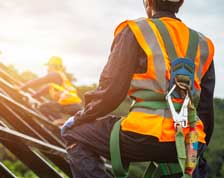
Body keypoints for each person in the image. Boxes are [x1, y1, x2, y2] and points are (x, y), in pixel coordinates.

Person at [61, 0, 215, 178]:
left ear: (148, 2)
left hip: (143, 134)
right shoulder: (204, 44)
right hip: (190, 141)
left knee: (72, 133)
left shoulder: (135, 31)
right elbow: (205, 110)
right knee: (192, 163)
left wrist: (82, 116)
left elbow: (111, 93)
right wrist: (198, 147)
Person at [20, 56, 82, 122]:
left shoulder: (55, 74)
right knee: (49, 107)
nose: (47, 69)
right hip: (74, 105)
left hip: (68, 104)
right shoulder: (59, 78)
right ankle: (58, 122)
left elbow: (39, 81)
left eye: (48, 66)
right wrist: (33, 96)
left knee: (44, 107)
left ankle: (59, 121)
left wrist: (21, 87)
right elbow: (44, 90)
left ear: (53, 66)